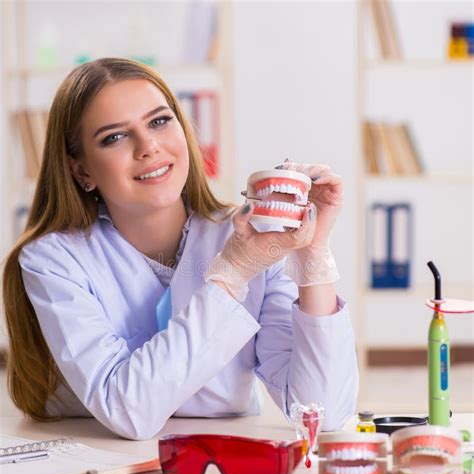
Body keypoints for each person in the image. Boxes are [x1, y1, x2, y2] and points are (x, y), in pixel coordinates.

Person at [3, 58, 358, 440]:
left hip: (215, 467)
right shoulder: (53, 259)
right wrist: (232, 274)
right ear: (82, 171)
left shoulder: (251, 240)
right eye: (114, 137)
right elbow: (129, 412)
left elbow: (324, 411)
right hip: (104, 461)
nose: (149, 147)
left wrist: (312, 252)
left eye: (159, 121)